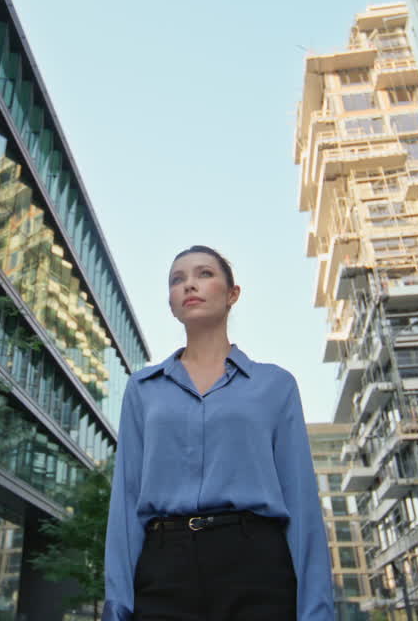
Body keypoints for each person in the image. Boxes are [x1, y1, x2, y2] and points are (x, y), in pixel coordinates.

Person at [103, 246, 334, 620]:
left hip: (255, 562)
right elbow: (126, 501)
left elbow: (302, 501)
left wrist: (317, 612)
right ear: (171, 304)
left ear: (232, 295)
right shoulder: (143, 389)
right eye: (177, 280)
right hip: (164, 565)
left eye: (204, 274)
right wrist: (117, 607)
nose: (189, 284)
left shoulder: (275, 385)